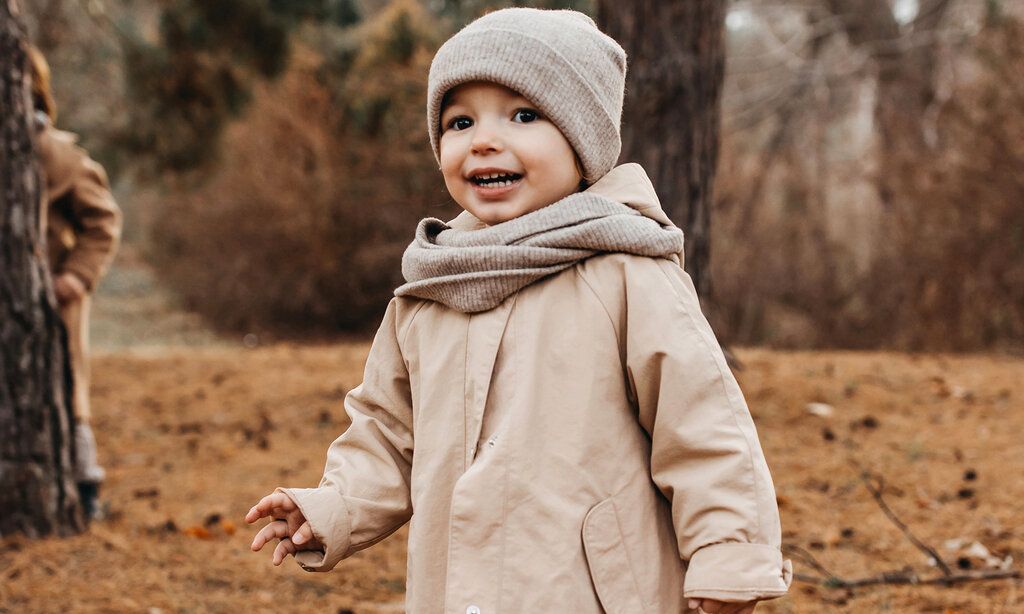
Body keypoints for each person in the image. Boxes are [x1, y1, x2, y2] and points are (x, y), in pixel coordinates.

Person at [247, 9, 791, 613]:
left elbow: (702, 428)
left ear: (582, 137)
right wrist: (331, 507)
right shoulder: (430, 291)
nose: (483, 139)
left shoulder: (628, 275)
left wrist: (729, 555)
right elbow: (387, 434)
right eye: (459, 121)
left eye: (523, 115)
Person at [29, 46, 123, 521]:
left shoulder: (55, 154)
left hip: (52, 301)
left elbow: (103, 220)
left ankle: (84, 488)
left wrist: (76, 275)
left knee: (67, 392)